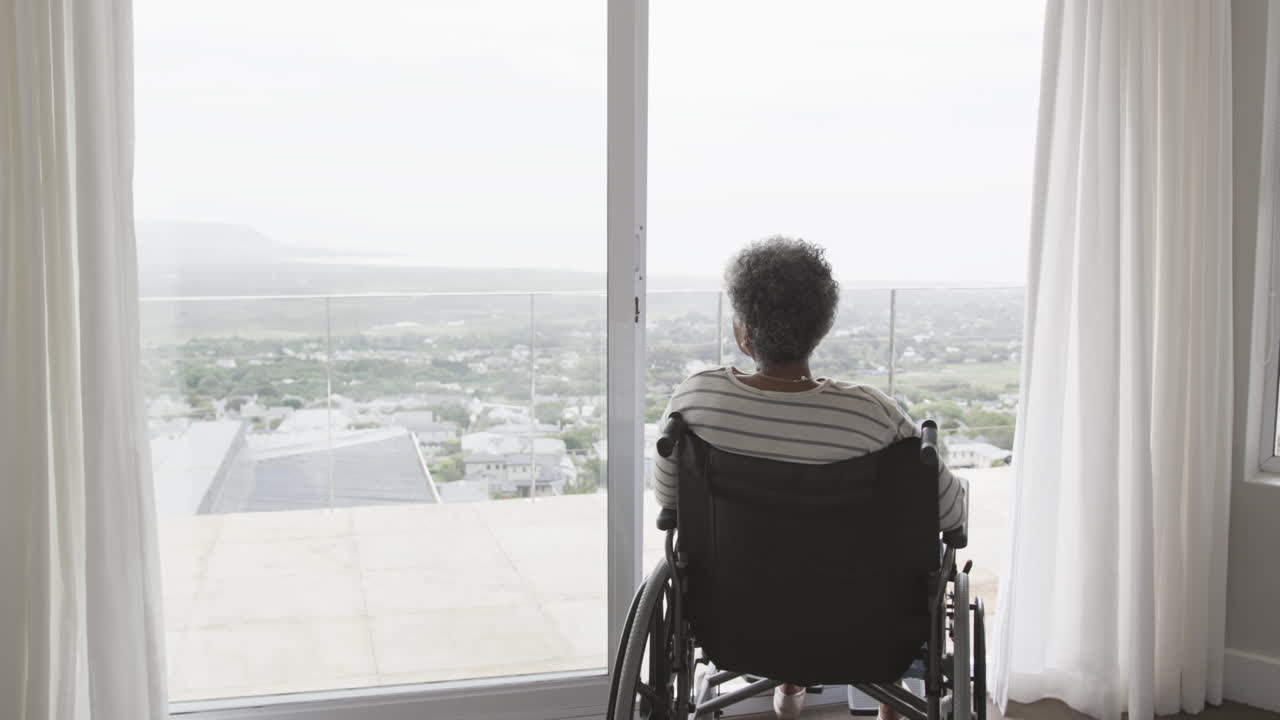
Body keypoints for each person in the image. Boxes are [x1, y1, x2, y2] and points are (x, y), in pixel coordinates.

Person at [651, 236, 967, 720]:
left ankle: (790, 683)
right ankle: (891, 707)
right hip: (863, 629)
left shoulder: (696, 402)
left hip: (736, 623)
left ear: (744, 334)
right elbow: (948, 516)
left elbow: (670, 504)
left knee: (781, 550)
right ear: (821, 327)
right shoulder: (874, 416)